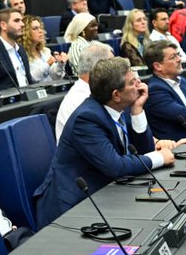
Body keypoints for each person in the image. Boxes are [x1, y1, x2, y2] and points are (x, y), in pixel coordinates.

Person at [34, 57, 177, 226]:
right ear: (116, 95)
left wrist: (138, 109)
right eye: (133, 82)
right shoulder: (87, 118)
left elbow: (144, 152)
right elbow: (115, 166)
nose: (140, 84)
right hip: (72, 208)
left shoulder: (118, 107)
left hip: (104, 193)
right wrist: (159, 157)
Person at [54, 42, 114, 141]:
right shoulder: (78, 101)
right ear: (99, 69)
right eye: (113, 65)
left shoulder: (97, 93)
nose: (117, 71)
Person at [22, 15, 68, 83]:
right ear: (26, 32)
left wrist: (60, 64)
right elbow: (30, 79)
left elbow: (55, 77)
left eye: (41, 28)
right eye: (35, 28)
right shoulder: (22, 54)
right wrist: (47, 64)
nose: (40, 31)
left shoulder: (45, 51)